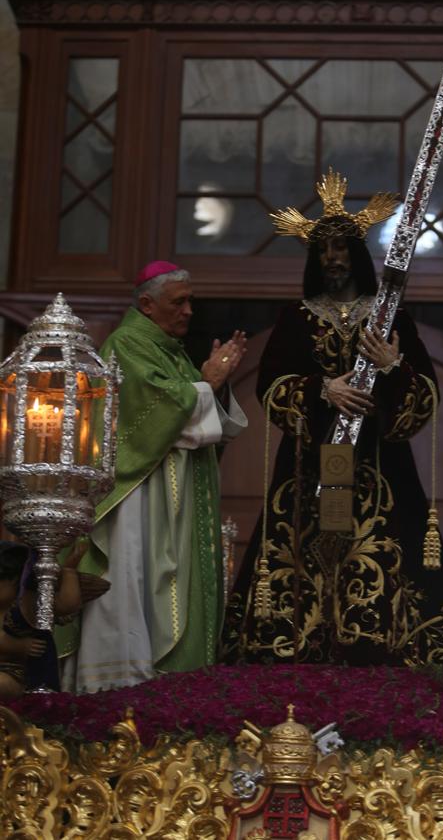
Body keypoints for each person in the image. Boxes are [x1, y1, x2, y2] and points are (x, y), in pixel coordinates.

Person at [222, 171, 443, 676]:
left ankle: (383, 668)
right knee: (303, 559)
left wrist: (390, 365)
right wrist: (323, 390)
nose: (333, 258)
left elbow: (422, 397)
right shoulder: (297, 319)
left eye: (342, 249)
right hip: (309, 469)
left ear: (358, 256)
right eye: (324, 252)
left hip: (380, 468)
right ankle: (294, 666)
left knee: (391, 560)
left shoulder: (390, 318)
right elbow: (272, 386)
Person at [60, 261, 247, 692]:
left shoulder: (166, 348)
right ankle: (120, 684)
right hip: (138, 497)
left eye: (189, 302)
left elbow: (197, 415)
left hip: (170, 495)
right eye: (177, 303)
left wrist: (210, 384)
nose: (188, 312)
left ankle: (169, 689)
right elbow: (154, 418)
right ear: (146, 304)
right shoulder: (128, 344)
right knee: (134, 577)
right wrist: (206, 383)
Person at [0, 540, 89, 699]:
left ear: (15, 581)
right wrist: (18, 645)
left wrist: (69, 571)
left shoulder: (26, 602)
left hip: (14, 674)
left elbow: (66, 605)